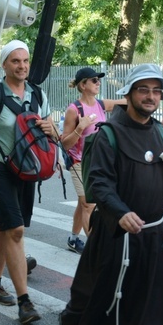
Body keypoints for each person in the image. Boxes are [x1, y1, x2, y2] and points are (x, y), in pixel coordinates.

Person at [59, 64, 163, 325]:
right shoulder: (107, 135)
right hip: (118, 233)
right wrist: (121, 212)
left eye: (157, 91)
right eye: (144, 90)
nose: (151, 96)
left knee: (161, 302)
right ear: (128, 94)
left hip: (155, 233)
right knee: (99, 293)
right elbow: (97, 183)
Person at [0, 40, 54, 325]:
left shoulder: (37, 95)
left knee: (7, 226)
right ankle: (25, 302)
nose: (22, 66)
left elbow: (53, 137)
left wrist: (52, 128)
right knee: (15, 230)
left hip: (25, 169)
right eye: (15, 61)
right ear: (4, 64)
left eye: (25, 61)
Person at [59, 67, 126, 253]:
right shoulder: (74, 110)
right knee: (88, 204)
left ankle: (73, 239)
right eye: (94, 80)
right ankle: (97, 250)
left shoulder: (100, 104)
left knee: (84, 203)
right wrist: (80, 128)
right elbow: (65, 143)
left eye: (98, 80)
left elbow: (125, 102)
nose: (98, 83)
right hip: (79, 162)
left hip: (97, 161)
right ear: (83, 85)